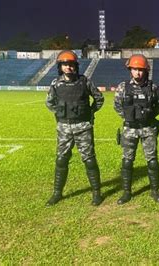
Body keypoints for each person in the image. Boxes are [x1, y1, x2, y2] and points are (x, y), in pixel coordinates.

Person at [45, 50, 104, 206]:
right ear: (60, 67)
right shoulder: (56, 83)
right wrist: (60, 113)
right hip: (64, 128)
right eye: (65, 64)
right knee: (61, 160)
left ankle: (97, 193)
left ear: (75, 66)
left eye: (71, 64)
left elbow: (99, 98)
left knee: (89, 159)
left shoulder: (85, 81)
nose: (68, 67)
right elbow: (49, 102)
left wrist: (90, 112)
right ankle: (57, 193)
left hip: (83, 126)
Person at [114, 54, 159, 203]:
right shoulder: (123, 87)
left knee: (152, 160)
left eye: (141, 70)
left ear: (146, 71)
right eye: (135, 69)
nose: (138, 73)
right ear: (130, 70)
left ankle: (155, 191)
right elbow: (117, 105)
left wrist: (148, 116)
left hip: (148, 129)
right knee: (127, 161)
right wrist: (128, 117)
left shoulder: (153, 87)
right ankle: (126, 192)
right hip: (129, 129)